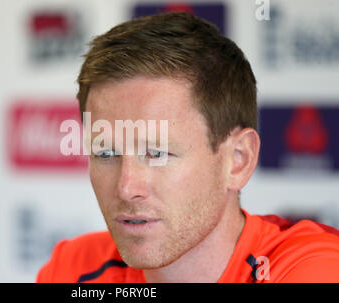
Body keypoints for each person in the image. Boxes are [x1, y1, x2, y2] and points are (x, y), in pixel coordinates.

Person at [36, 12, 339, 283]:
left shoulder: (313, 269)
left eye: (157, 153)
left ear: (238, 161)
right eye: (105, 153)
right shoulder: (74, 269)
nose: (126, 188)